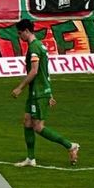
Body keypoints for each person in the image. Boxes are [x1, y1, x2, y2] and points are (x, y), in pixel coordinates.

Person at [11, 17, 78, 167]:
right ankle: (31, 158)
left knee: (38, 126)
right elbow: (45, 71)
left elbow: (35, 71)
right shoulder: (39, 46)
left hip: (38, 92)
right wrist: (50, 92)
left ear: (27, 31)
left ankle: (70, 145)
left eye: (20, 33)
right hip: (39, 90)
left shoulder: (35, 47)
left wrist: (19, 87)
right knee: (27, 121)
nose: (19, 36)